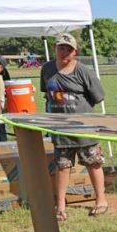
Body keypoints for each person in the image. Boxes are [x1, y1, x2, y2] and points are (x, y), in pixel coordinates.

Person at [40, 33, 108, 221]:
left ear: (75, 51)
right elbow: (47, 93)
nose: (64, 52)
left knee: (93, 163)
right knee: (62, 166)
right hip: (60, 128)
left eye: (68, 49)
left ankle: (101, 200)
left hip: (84, 127)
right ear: (55, 49)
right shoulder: (46, 69)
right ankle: (61, 204)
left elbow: (99, 96)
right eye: (60, 48)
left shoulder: (83, 71)